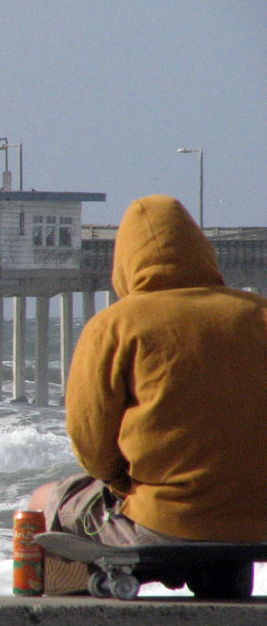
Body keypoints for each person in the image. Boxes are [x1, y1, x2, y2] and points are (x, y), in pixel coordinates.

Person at [30, 195, 267, 589]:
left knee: (43, 502)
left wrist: (123, 484)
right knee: (222, 522)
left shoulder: (116, 325)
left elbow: (92, 446)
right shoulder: (260, 314)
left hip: (161, 524)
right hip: (257, 523)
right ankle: (224, 587)